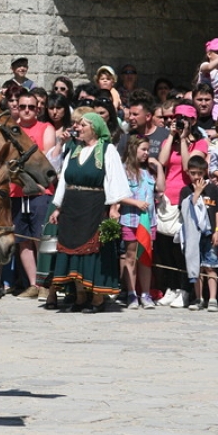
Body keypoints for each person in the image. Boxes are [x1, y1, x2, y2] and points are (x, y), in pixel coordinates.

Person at [48, 113, 131, 312]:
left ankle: (97, 298)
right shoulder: (74, 150)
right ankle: (80, 295)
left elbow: (114, 179)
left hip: (93, 207)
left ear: (94, 127)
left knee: (92, 250)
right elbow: (64, 181)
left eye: (83, 125)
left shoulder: (107, 150)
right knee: (71, 249)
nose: (79, 128)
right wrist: (58, 207)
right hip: (71, 207)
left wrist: (113, 207)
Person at [155, 102, 209, 307]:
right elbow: (162, 161)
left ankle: (185, 288)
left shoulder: (201, 143)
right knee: (166, 245)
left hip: (186, 197)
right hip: (167, 197)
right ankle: (171, 287)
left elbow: (189, 167)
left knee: (182, 246)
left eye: (184, 118)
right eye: (176, 117)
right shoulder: (170, 140)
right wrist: (171, 136)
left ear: (193, 121)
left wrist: (185, 140)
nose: (179, 122)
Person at [11, 90, 55, 299]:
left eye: (31, 107)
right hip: (17, 191)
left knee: (40, 236)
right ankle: (32, 284)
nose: (27, 110)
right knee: (23, 239)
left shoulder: (46, 128)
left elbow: (46, 155)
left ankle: (45, 282)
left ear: (38, 108)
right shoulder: (13, 130)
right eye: (23, 107)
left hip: (40, 190)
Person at [119, 135, 165, 309]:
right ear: (133, 150)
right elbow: (118, 195)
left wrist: (159, 167)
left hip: (148, 221)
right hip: (130, 219)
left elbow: (160, 188)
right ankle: (131, 293)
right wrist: (135, 203)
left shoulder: (149, 171)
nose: (147, 153)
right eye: (143, 149)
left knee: (145, 257)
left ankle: (145, 293)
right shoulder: (124, 170)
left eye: (148, 150)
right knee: (131, 256)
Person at [179, 156, 218, 312]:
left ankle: (213, 298)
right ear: (188, 173)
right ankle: (199, 298)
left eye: (200, 173)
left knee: (211, 266)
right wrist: (196, 194)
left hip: (210, 234)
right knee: (196, 267)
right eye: (193, 173)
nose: (197, 177)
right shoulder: (186, 191)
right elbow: (186, 210)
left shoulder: (212, 189)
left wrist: (217, 231)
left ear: (205, 172)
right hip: (193, 236)